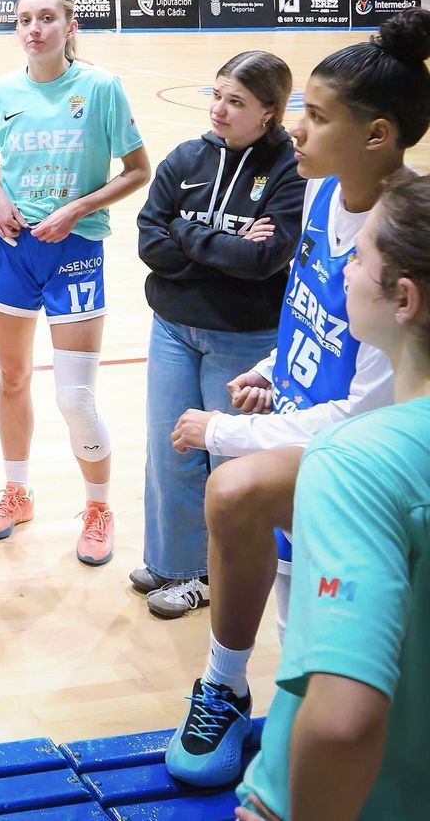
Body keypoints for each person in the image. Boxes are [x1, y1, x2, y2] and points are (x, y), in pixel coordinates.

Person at [162, 10, 428, 791]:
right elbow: (311, 310)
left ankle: (276, 727)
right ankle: (228, 686)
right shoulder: (323, 196)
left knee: (240, 501)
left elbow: (366, 420)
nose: (299, 130)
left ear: (377, 135)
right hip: (307, 423)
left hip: (353, 454)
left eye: (316, 114)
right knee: (282, 593)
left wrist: (226, 429)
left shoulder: (397, 240)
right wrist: (278, 368)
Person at [233, 172, 430, 821]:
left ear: (403, 299)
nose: (343, 265)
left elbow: (343, 723)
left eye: (361, 254)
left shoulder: (353, 462)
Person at [0, 0, 150, 566]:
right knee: (11, 378)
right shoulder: (0, 92)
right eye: (24, 19)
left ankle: (99, 507)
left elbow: (137, 171)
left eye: (46, 18)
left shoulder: (100, 88)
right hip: (12, 250)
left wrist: (78, 208)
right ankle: (16, 491)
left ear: (69, 26)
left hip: (75, 249)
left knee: (75, 395)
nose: (34, 29)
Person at [132, 51, 304, 619]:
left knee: (229, 461)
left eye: (236, 102)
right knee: (170, 448)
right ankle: (174, 563)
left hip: (243, 339)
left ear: (270, 113)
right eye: (217, 95)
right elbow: (149, 241)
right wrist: (218, 247)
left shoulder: (288, 172)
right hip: (173, 327)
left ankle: (213, 574)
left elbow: (263, 261)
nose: (219, 110)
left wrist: (185, 232)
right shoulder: (186, 158)